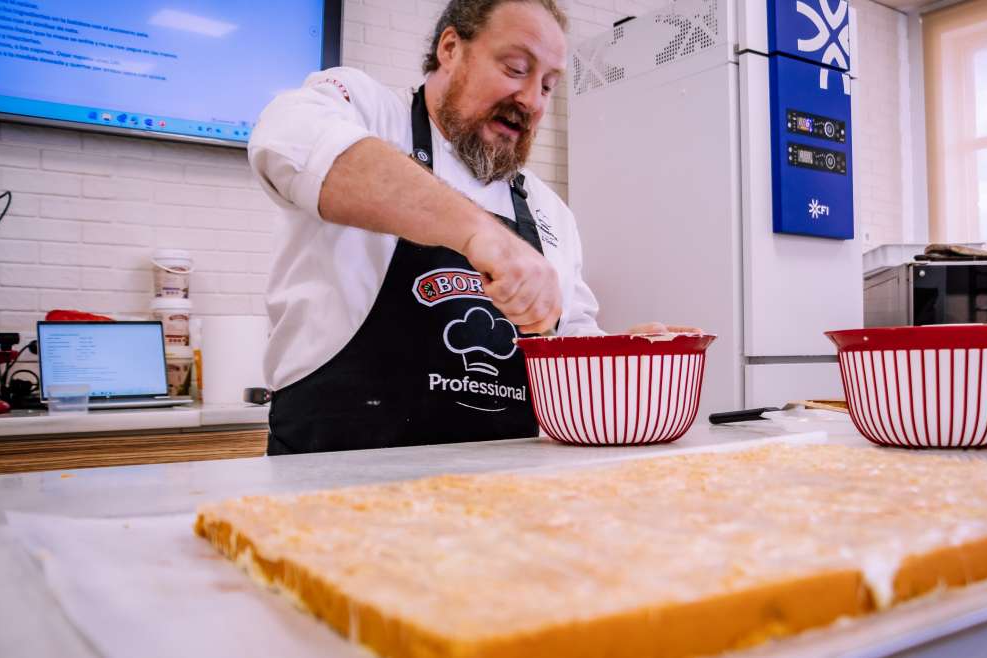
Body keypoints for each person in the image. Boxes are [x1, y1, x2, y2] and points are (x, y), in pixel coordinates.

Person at [250, 0, 688, 454]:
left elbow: (568, 345)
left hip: (499, 502)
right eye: (517, 68)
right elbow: (286, 140)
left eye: (548, 86)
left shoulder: (547, 209)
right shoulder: (370, 113)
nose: (532, 101)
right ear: (451, 47)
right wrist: (479, 233)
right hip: (330, 492)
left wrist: (624, 357)